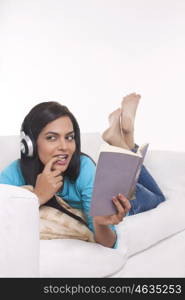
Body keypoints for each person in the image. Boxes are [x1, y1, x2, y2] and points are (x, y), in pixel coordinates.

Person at [0, 93, 165, 248]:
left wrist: (100, 223)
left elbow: (107, 243)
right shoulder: (16, 171)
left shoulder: (84, 169)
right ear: (30, 145)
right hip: (101, 181)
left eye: (69, 137)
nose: (64, 147)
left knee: (158, 197)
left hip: (122, 200)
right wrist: (38, 196)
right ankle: (124, 140)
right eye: (52, 138)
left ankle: (127, 140)